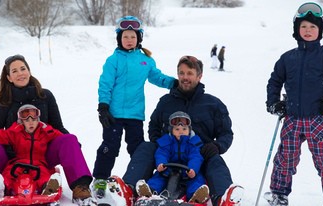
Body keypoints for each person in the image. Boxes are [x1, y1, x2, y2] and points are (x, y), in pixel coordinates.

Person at [0, 54, 95, 206]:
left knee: (69, 139)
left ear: (29, 71)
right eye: (14, 71)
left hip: (42, 154)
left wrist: (71, 144)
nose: (20, 73)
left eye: (23, 69)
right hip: (12, 157)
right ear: (9, 77)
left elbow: (57, 127)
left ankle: (81, 191)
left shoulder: (45, 96)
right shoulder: (3, 102)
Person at [123, 55, 242, 206]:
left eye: (190, 73)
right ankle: (128, 189)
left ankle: (223, 198)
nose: (185, 77)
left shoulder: (213, 104)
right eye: (181, 73)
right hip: (167, 154)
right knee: (146, 147)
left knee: (216, 161)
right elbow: (154, 125)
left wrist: (216, 146)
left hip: (198, 155)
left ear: (199, 76)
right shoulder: (166, 102)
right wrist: (160, 144)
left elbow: (226, 133)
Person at [265, 2, 323, 206]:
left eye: (313, 27)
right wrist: (274, 103)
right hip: (292, 118)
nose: (308, 30)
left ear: (320, 30)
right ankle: (279, 194)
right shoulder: (287, 58)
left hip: (318, 118)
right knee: (285, 158)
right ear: (297, 29)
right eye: (303, 26)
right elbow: (274, 81)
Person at [93, 15, 177, 196]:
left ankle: (140, 179)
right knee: (110, 146)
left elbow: (157, 77)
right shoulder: (113, 60)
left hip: (135, 114)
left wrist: (174, 83)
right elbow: (105, 84)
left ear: (139, 38)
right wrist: (103, 107)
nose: (129, 40)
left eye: (133, 36)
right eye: (125, 36)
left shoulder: (145, 60)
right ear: (119, 39)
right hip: (113, 114)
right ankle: (100, 179)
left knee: (137, 149)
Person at [0, 104, 63, 196]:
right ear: (21, 122)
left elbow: (60, 138)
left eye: (34, 120)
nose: (31, 123)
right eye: (27, 120)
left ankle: (48, 187)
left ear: (38, 120)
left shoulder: (46, 131)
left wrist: (72, 145)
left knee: (43, 176)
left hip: (39, 163)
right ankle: (1, 187)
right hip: (18, 162)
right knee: (9, 175)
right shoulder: (15, 132)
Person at [135, 111, 209, 203]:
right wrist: (161, 164)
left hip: (187, 172)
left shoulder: (192, 143)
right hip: (168, 170)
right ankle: (150, 191)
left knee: (196, 180)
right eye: (177, 129)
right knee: (158, 178)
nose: (181, 132)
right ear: (171, 130)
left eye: (184, 129)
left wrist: (193, 169)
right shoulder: (166, 142)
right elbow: (161, 154)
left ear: (189, 130)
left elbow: (195, 157)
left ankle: (196, 195)